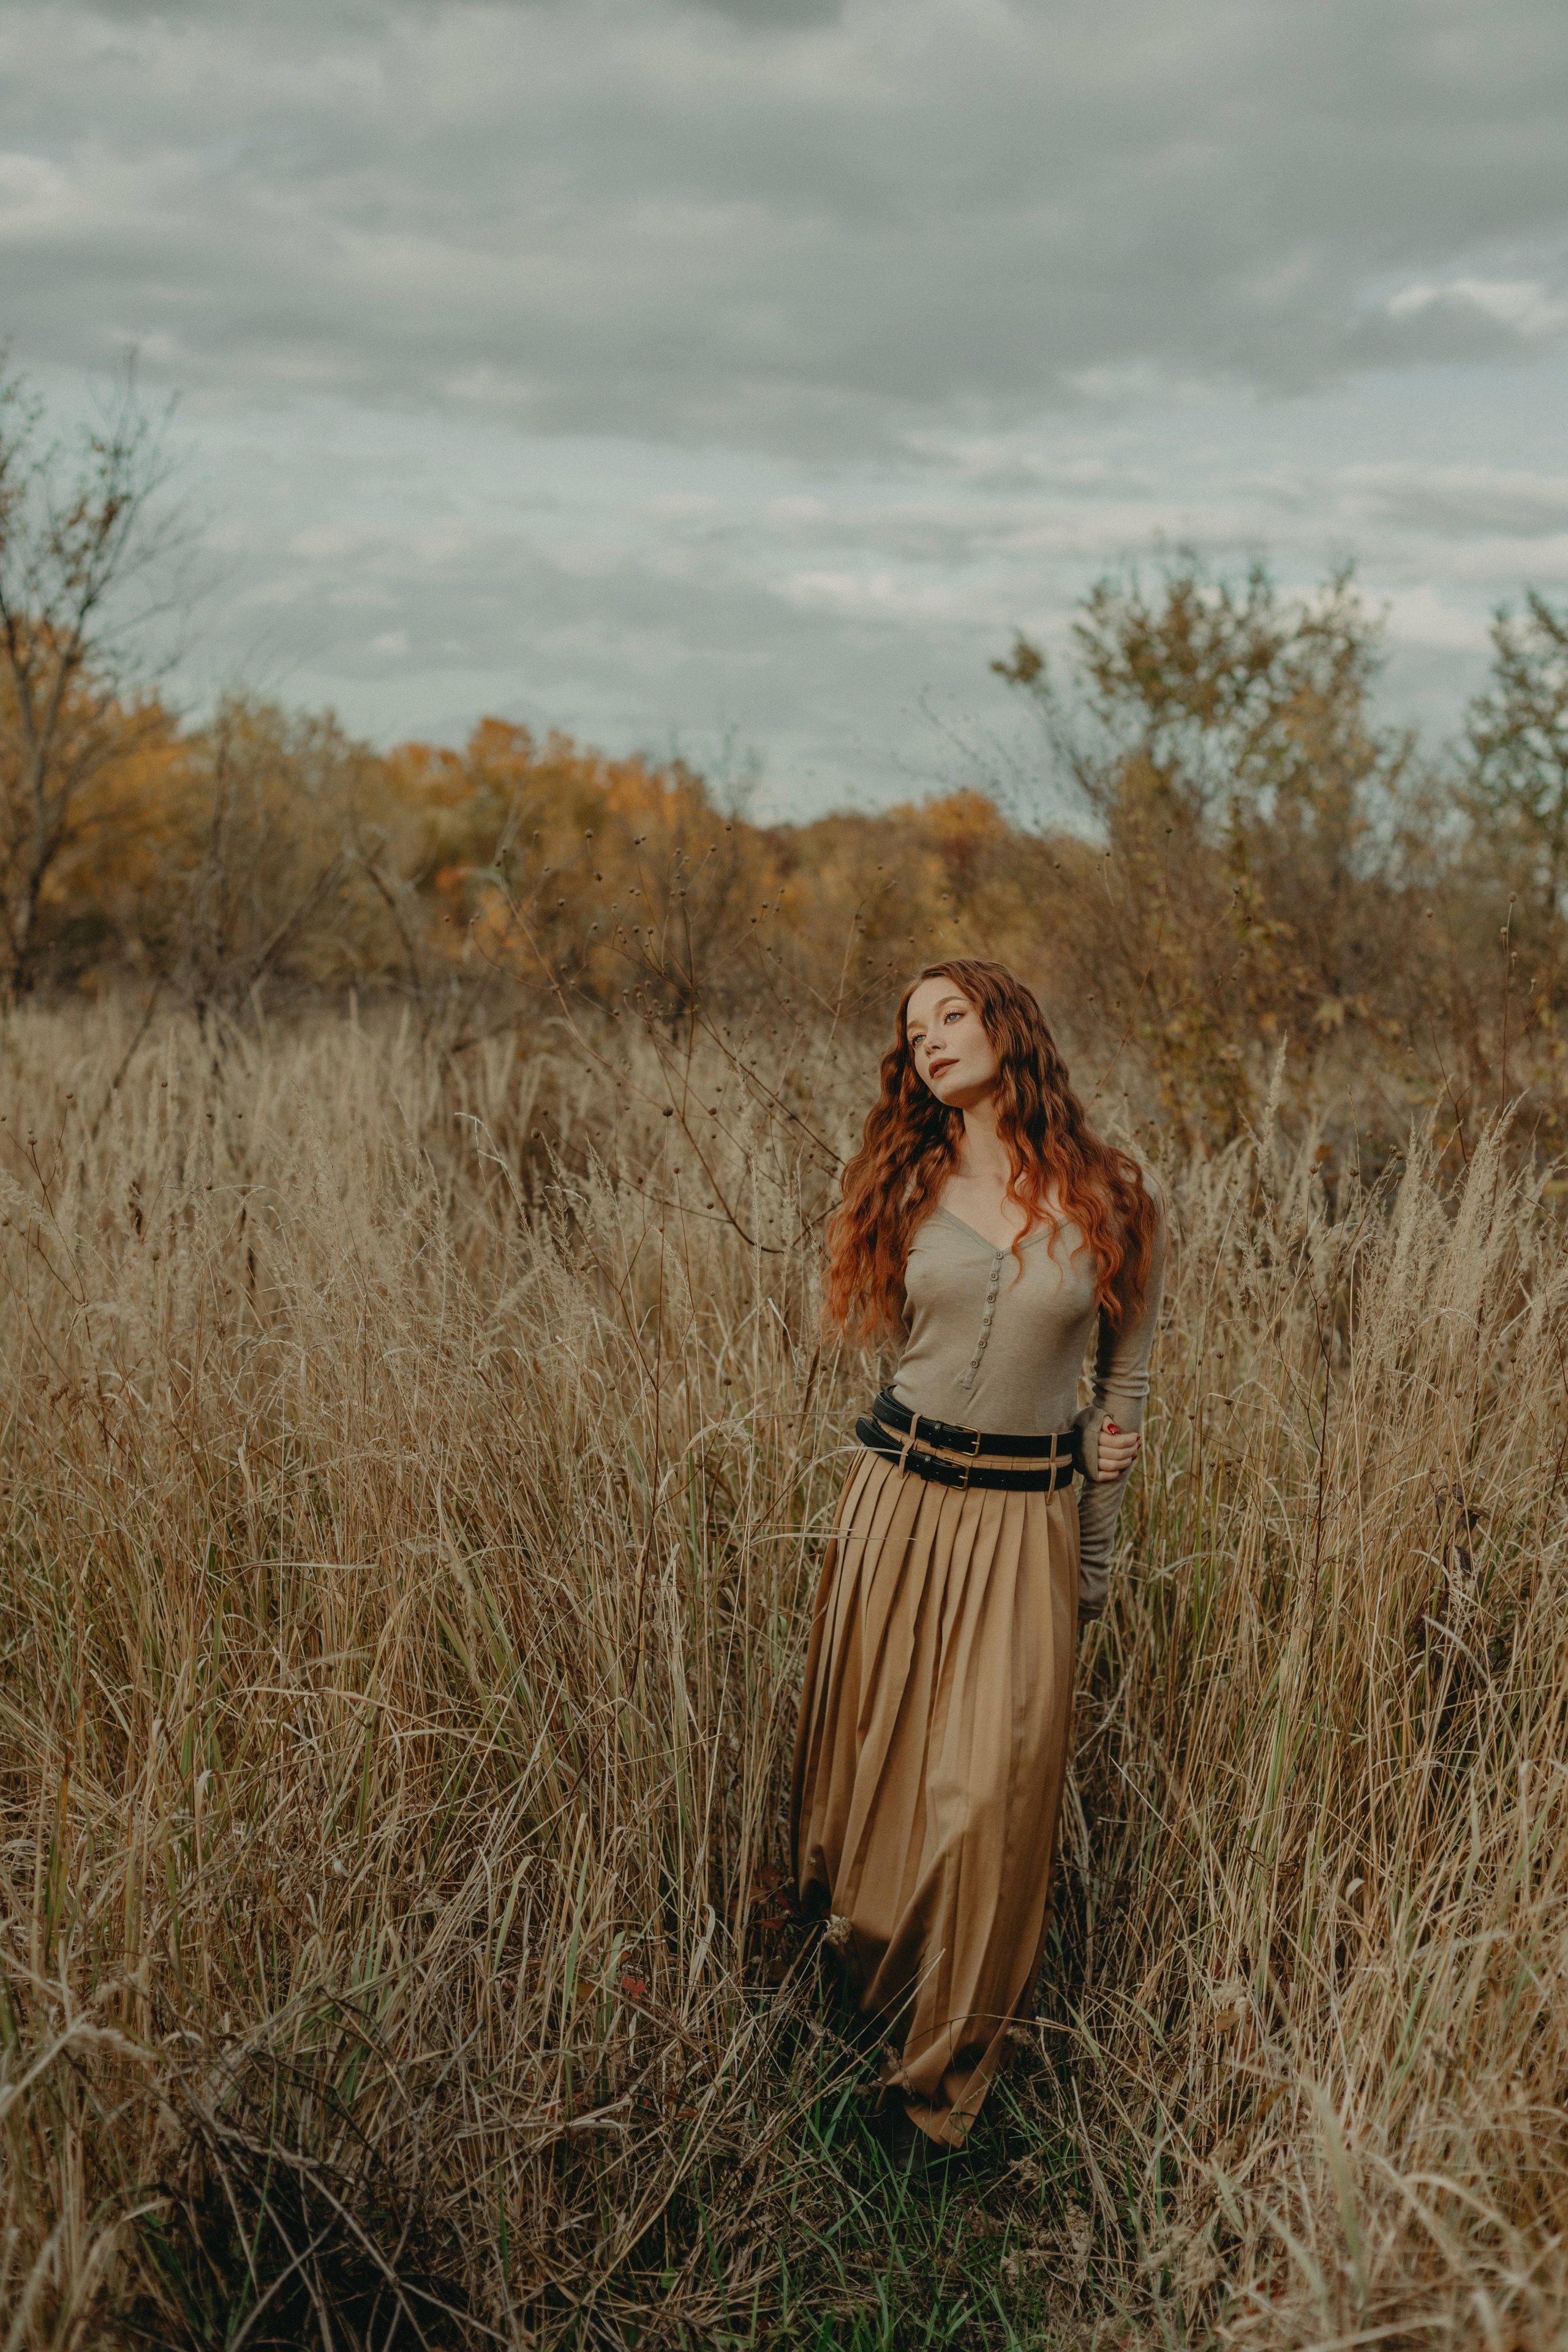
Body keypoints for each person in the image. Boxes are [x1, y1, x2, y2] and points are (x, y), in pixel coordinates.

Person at [790, 957, 1164, 2159]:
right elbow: (899, 1351)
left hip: (1023, 1527)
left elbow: (1121, 1393)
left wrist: (1090, 1563)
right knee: (874, 1780)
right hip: (896, 1503)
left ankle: (937, 2093)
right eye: (915, 1031)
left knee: (989, 1800)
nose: (933, 1040)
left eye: (952, 1014)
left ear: (1009, 1024)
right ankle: (848, 1999)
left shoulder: (1115, 1194)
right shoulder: (902, 1183)